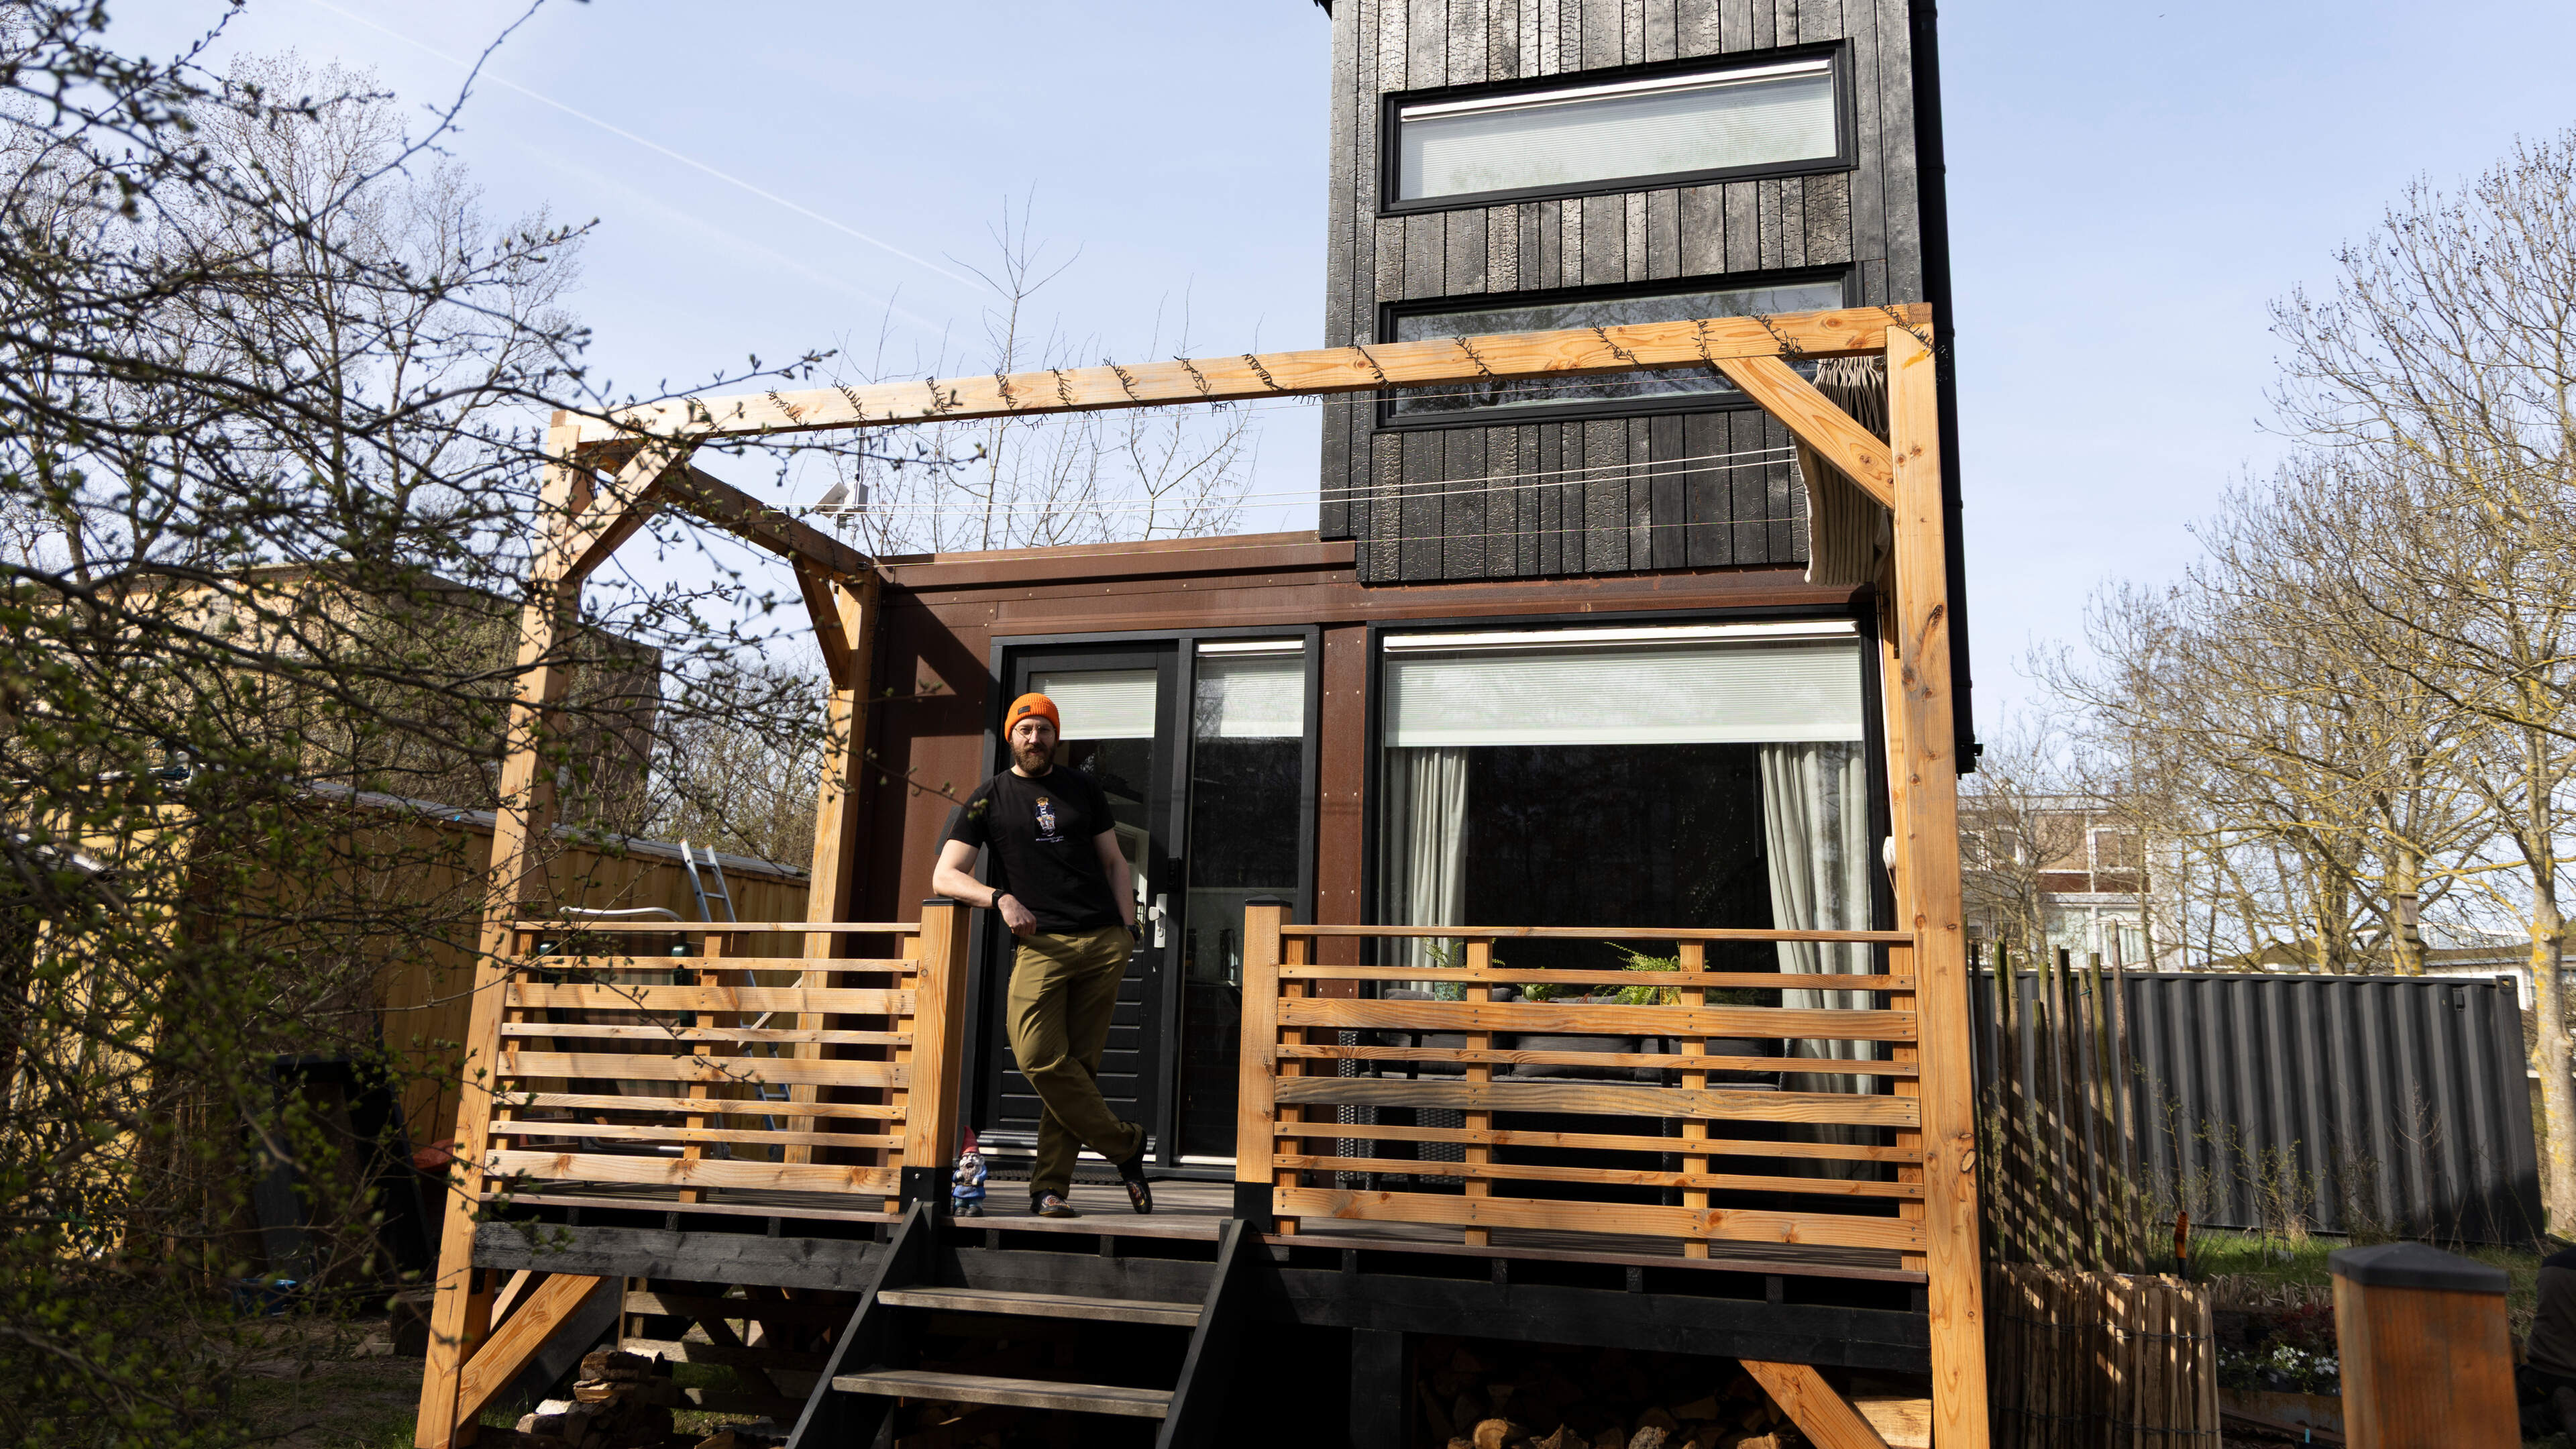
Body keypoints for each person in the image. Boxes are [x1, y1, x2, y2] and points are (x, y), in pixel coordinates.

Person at [930, 692, 1152, 1218]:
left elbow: (1116, 863)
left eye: (1045, 730)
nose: (1036, 739)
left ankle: (1048, 1189)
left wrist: (1127, 930)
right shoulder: (988, 798)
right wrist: (999, 898)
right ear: (1011, 736)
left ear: (1057, 737)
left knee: (1077, 1068)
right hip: (1040, 946)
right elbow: (945, 876)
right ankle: (1125, 1144)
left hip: (1102, 942)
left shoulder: (1083, 788)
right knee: (1036, 1057)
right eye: (1026, 730)